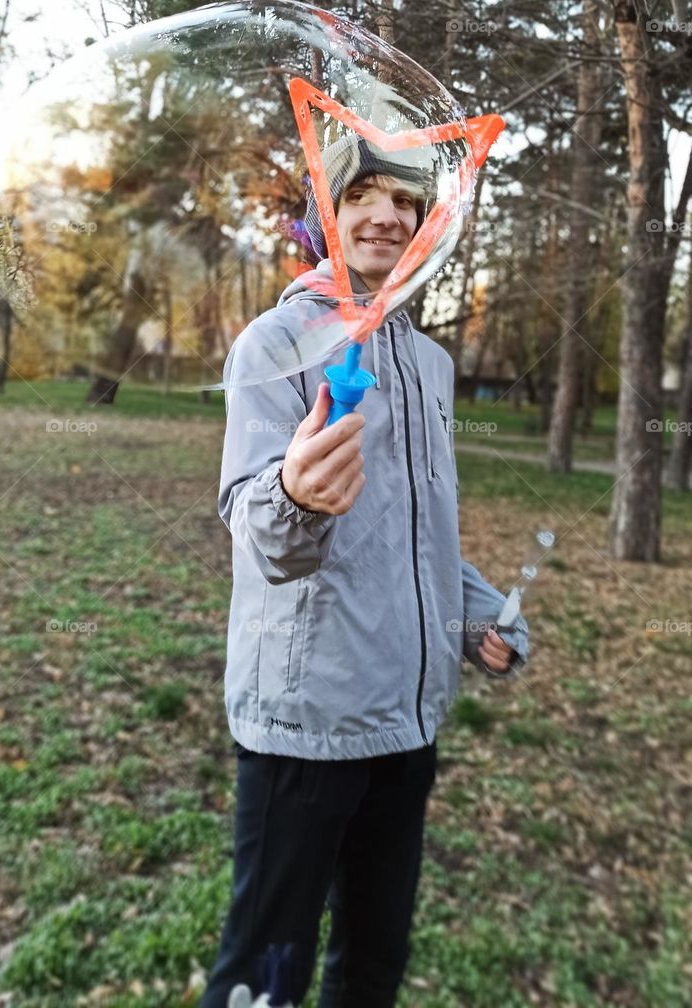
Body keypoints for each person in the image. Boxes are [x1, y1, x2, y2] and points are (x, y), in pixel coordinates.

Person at [198, 133, 530, 1008]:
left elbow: (419, 536)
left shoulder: (428, 364)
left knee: (373, 966)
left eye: (405, 203)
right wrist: (294, 495)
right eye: (363, 196)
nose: (387, 214)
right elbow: (261, 535)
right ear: (327, 212)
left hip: (406, 724)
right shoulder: (276, 344)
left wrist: (477, 616)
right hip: (305, 727)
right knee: (262, 980)